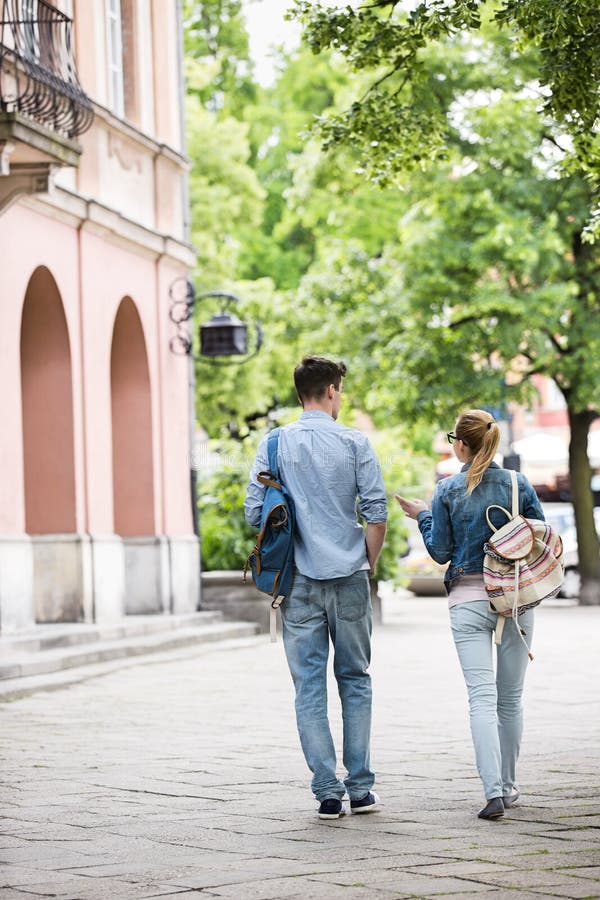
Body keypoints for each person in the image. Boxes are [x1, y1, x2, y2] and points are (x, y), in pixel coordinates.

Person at [244, 356, 388, 820]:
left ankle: (328, 792)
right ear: (330, 390)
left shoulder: (273, 444)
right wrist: (367, 563)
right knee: (355, 680)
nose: (340, 398)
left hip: (298, 583)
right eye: (340, 391)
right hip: (348, 577)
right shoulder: (354, 442)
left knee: (308, 687)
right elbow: (377, 512)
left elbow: (254, 514)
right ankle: (361, 789)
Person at [396, 409, 544, 821]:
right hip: (515, 599)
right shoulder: (518, 484)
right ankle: (510, 787)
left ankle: (493, 791)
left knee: (481, 696)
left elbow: (440, 552)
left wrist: (422, 514)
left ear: (460, 444)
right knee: (510, 699)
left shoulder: (447, 490)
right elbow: (539, 537)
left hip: (467, 599)